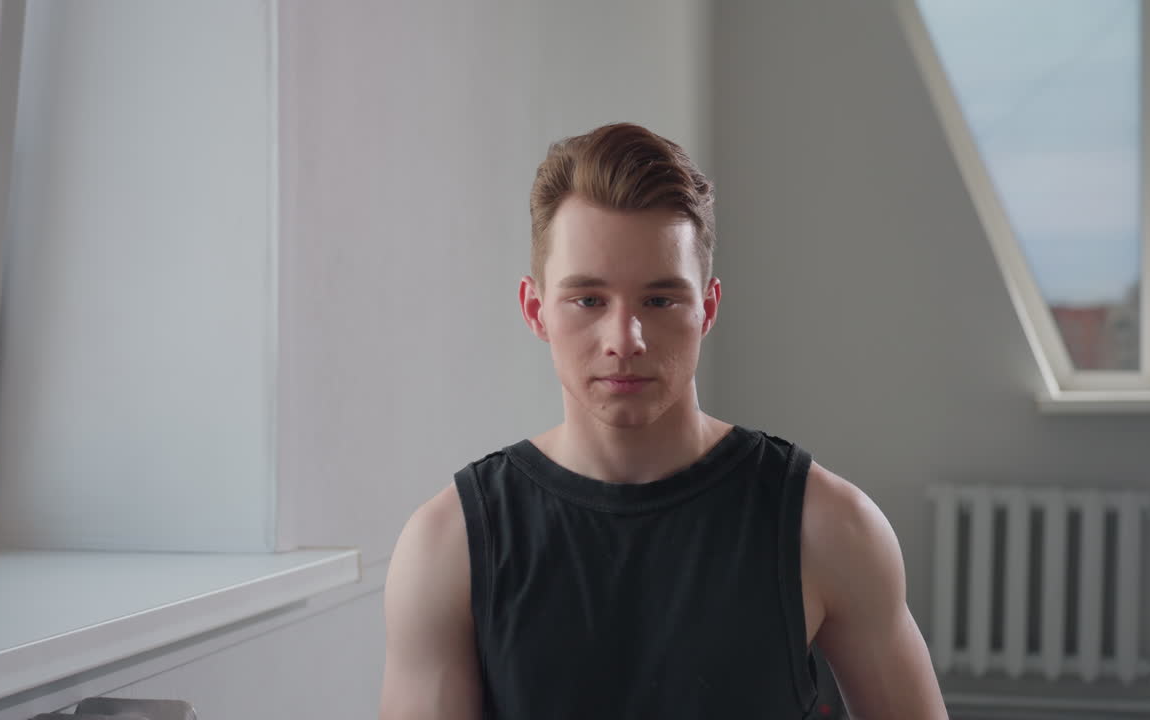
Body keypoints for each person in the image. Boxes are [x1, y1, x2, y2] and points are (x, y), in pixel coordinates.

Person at [379, 123, 948, 719]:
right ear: (535, 309)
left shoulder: (829, 527)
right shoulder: (449, 547)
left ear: (706, 309)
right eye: (588, 299)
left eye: (659, 300)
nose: (625, 340)